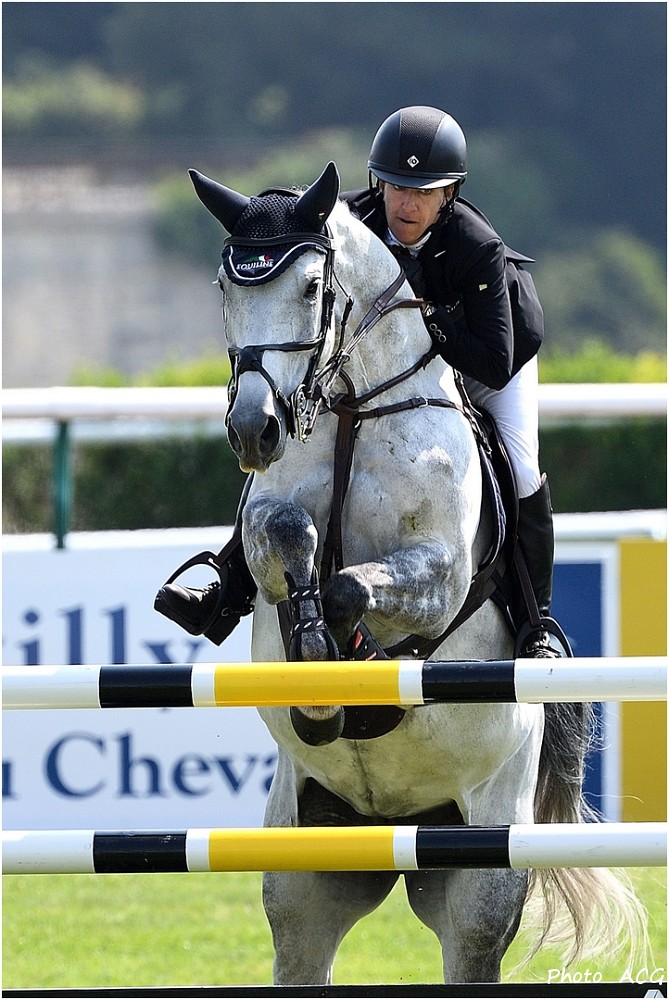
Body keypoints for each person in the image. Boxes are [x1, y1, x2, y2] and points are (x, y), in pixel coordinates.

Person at [156, 105, 560, 658]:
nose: (406, 205)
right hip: (386, 365)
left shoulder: (476, 246)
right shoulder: (353, 224)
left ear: (449, 194)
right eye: (396, 188)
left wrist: (428, 318)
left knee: (520, 466)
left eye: (424, 192)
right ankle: (229, 582)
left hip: (487, 357)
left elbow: (493, 358)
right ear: (378, 183)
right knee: (288, 434)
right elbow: (296, 234)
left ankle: (537, 624)